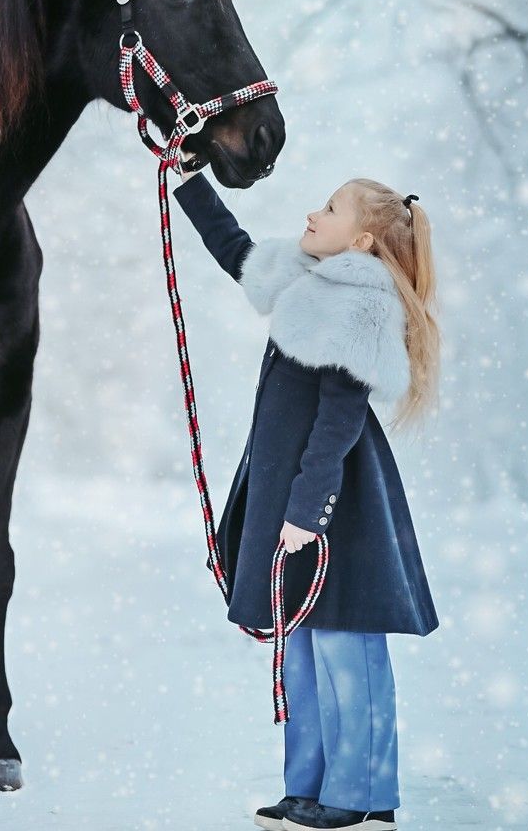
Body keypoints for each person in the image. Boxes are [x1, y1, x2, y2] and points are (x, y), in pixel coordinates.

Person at [171, 164, 441, 831]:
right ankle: (309, 785)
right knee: (302, 647)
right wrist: (190, 182)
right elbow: (237, 252)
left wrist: (305, 510)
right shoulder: (305, 281)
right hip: (297, 497)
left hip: (336, 504)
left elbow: (338, 420)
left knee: (347, 649)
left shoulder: (361, 304)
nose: (314, 214)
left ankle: (360, 794)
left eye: (332, 209)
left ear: (362, 244)